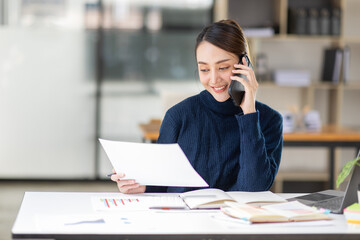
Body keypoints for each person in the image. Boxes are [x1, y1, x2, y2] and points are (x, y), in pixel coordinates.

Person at [111, 19, 283, 194]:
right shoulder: (178, 116)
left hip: (237, 219)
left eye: (223, 67)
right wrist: (141, 185)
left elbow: (253, 188)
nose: (214, 79)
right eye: (204, 70)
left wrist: (249, 116)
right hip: (185, 219)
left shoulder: (269, 121)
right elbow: (160, 183)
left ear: (244, 65)